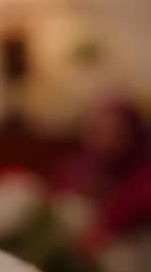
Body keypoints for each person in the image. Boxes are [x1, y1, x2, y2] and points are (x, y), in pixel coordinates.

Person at [54, 97, 151, 256]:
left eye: (116, 132)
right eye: (100, 131)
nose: (107, 139)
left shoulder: (142, 169)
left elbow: (140, 196)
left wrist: (105, 227)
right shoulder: (89, 162)